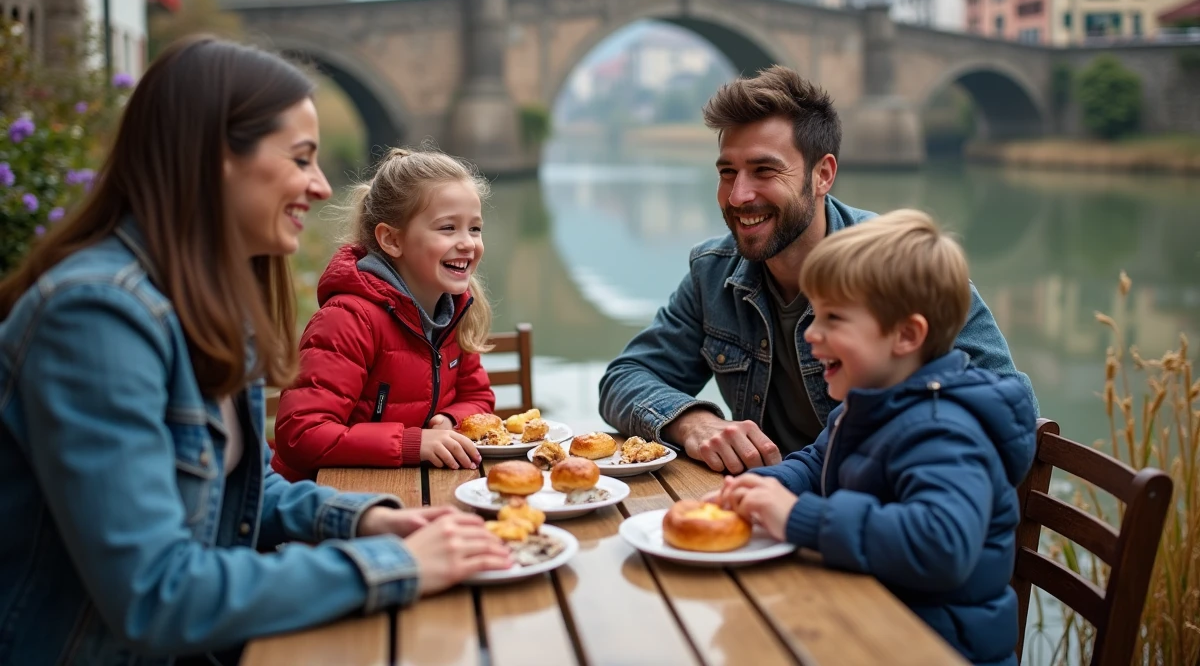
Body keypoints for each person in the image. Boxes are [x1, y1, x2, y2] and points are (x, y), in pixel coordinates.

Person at [0, 37, 511, 665]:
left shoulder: (203, 305)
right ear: (215, 158)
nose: (322, 187)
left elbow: (242, 495)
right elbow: (155, 595)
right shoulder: (95, 318)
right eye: (301, 159)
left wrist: (368, 519)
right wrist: (391, 565)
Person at [599, 65, 1036, 475]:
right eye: (728, 172)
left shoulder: (905, 269)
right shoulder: (713, 272)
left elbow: (1011, 417)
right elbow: (623, 378)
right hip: (773, 510)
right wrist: (692, 422)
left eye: (764, 170)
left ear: (822, 175)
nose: (738, 196)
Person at [712, 209, 1036, 666]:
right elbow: (817, 463)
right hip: (867, 625)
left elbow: (939, 545)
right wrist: (768, 487)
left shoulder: (944, 430)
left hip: (934, 648)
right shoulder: (871, 402)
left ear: (906, 335)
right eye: (814, 314)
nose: (811, 334)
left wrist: (800, 518)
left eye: (833, 319)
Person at [271, 148, 497, 481]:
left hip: (406, 488)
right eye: (448, 228)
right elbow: (300, 434)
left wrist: (451, 419)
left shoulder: (454, 313)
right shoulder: (348, 319)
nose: (467, 243)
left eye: (474, 229)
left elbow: (478, 397)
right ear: (391, 239)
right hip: (319, 505)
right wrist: (411, 443)